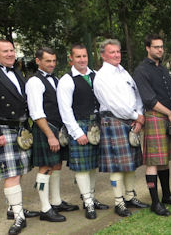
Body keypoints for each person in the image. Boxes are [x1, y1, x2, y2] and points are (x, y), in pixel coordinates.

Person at [0, 39, 39, 234]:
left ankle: (14, 208)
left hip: (19, 129)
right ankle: (19, 217)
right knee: (11, 174)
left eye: (12, 50)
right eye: (5, 51)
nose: (10, 54)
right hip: (3, 129)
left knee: (18, 172)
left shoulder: (17, 72)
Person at [94, 39, 148, 217]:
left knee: (130, 164)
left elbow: (136, 93)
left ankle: (130, 196)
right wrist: (136, 117)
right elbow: (114, 104)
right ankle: (118, 202)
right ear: (103, 55)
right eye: (112, 52)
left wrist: (139, 116)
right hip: (115, 121)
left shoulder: (123, 72)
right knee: (117, 165)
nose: (117, 55)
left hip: (131, 120)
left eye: (118, 52)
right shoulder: (102, 76)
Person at [133, 34, 171, 217]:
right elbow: (148, 99)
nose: (160, 50)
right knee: (154, 161)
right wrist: (169, 112)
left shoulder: (163, 69)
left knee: (163, 160)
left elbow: (170, 94)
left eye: (161, 47)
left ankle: (167, 196)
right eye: (156, 47)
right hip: (155, 116)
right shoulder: (141, 70)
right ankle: (155, 203)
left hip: (168, 116)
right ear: (147, 48)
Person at [26, 47, 79, 223]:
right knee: (45, 167)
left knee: (56, 165)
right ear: (38, 61)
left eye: (54, 61)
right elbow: (36, 113)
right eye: (48, 61)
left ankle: (55, 202)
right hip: (46, 129)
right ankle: (45, 208)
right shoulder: (34, 82)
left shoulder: (56, 79)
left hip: (57, 128)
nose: (52, 64)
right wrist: (50, 135)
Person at [57, 44, 110, 220]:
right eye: (78, 57)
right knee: (82, 168)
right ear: (71, 59)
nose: (82, 60)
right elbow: (65, 110)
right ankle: (87, 202)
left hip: (96, 125)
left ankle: (92, 198)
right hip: (80, 125)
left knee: (93, 165)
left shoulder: (96, 75)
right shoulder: (67, 80)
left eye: (84, 56)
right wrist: (76, 132)